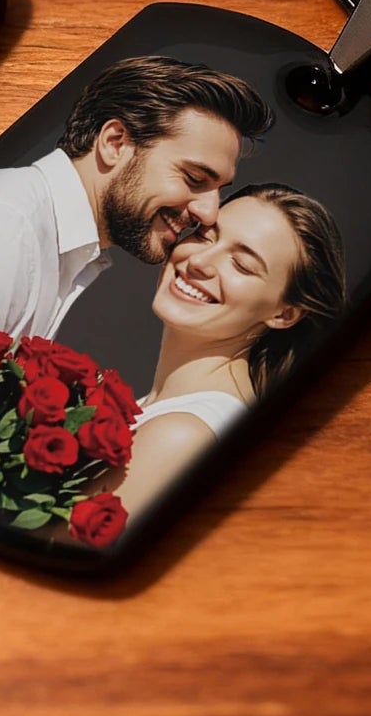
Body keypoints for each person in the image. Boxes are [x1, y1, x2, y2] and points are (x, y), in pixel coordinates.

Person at [0, 56, 273, 454]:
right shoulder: (3, 230)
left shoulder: (53, 244)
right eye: (195, 179)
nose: (208, 212)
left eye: (218, 190)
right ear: (115, 142)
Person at [113, 183, 346, 519]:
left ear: (284, 314)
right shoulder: (169, 413)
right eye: (205, 236)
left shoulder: (183, 435)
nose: (200, 261)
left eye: (242, 265)